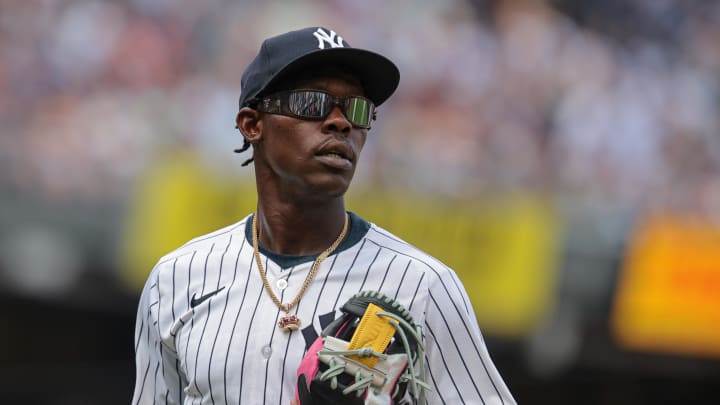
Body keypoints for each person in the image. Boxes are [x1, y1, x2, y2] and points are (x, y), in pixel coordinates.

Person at [132, 26, 516, 405]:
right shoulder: (175, 280)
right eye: (312, 103)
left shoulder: (422, 286)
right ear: (252, 125)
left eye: (357, 109)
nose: (340, 122)